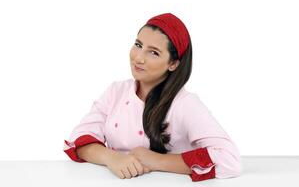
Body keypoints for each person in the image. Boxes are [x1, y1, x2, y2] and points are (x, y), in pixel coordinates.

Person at [63, 13, 242, 182]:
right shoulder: (116, 91)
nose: (139, 58)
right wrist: (112, 158)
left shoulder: (185, 104)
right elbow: (80, 138)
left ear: (173, 64)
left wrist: (156, 160)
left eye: (154, 52)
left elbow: (229, 159)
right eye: (138, 45)